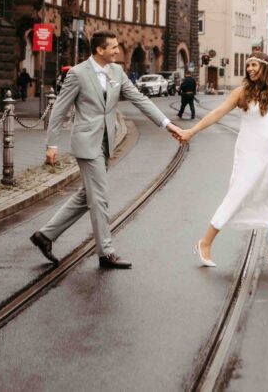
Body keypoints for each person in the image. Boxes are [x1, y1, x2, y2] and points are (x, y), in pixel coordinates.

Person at [30, 31, 184, 269]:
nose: (117, 51)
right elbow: (59, 110)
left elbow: (139, 99)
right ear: (100, 50)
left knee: (87, 196)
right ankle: (106, 252)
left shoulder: (116, 72)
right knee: (99, 198)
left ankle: (45, 235)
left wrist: (167, 124)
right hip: (86, 143)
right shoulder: (78, 74)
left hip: (106, 141)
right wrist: (52, 144)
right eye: (113, 48)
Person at [174, 51, 268, 268]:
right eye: (248, 65)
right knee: (238, 196)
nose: (250, 69)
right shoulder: (242, 92)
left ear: (265, 67)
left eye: (254, 65)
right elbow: (217, 113)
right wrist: (191, 131)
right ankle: (205, 242)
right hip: (250, 153)